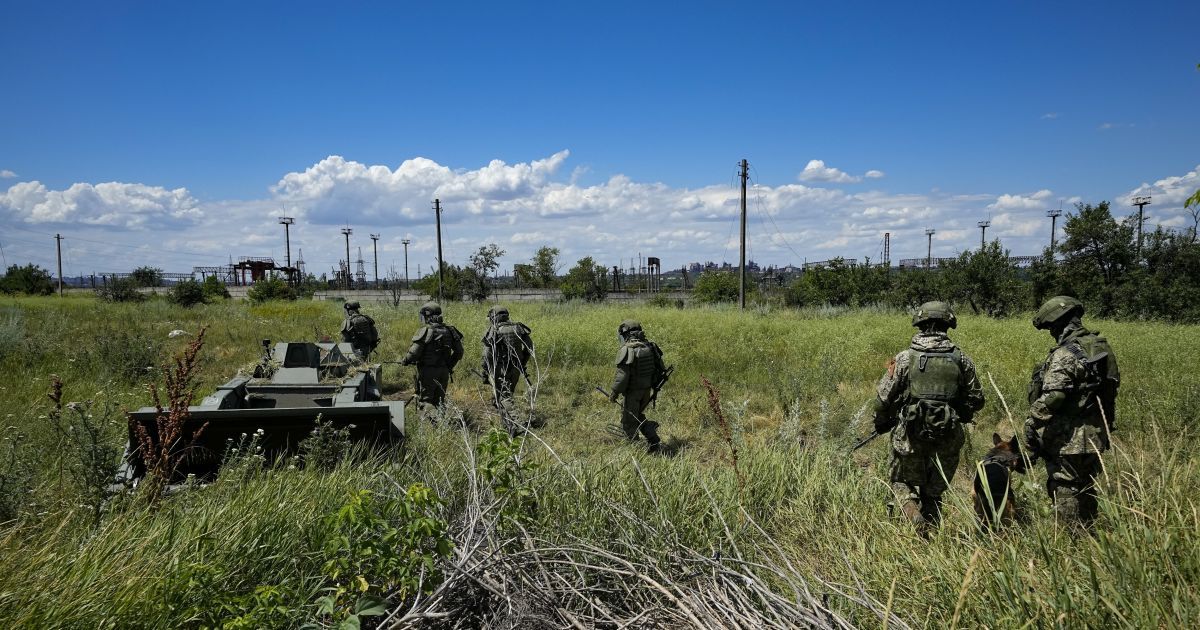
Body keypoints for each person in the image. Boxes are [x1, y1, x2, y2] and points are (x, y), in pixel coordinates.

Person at [872, 301, 985, 534]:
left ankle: (913, 516)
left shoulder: (904, 358)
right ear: (948, 325)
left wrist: (882, 420)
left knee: (901, 483)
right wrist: (957, 409)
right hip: (948, 435)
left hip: (910, 435)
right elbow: (977, 399)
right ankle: (930, 536)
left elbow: (882, 398)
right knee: (933, 493)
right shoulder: (961, 359)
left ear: (920, 324)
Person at [1024, 296, 1119, 526]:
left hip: (1068, 437)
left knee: (1064, 487)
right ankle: (1089, 534)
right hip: (1095, 433)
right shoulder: (1100, 347)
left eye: (1051, 328)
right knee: (1086, 485)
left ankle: (1069, 541)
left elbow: (1055, 395)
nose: (1051, 333)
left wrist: (1032, 421)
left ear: (1059, 324)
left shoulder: (1065, 354)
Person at [609, 320, 665, 453]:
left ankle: (632, 448)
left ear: (626, 334)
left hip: (633, 392)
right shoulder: (650, 347)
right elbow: (659, 368)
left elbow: (622, 376)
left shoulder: (628, 349)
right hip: (647, 390)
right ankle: (651, 434)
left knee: (629, 420)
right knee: (637, 415)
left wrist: (614, 392)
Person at [400, 302, 463, 418]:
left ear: (428, 315)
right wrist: (449, 366)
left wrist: (405, 360)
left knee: (426, 401)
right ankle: (442, 425)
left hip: (428, 372)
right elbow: (459, 352)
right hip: (444, 372)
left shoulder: (426, 330)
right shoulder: (450, 330)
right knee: (439, 401)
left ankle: (434, 425)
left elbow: (414, 353)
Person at [480, 306, 534, 429]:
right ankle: (508, 425)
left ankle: (518, 424)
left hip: (501, 369)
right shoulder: (518, 328)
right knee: (506, 395)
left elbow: (486, 355)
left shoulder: (494, 330)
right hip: (516, 368)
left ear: (493, 317)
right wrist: (522, 363)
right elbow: (529, 348)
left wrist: (485, 371)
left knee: (504, 397)